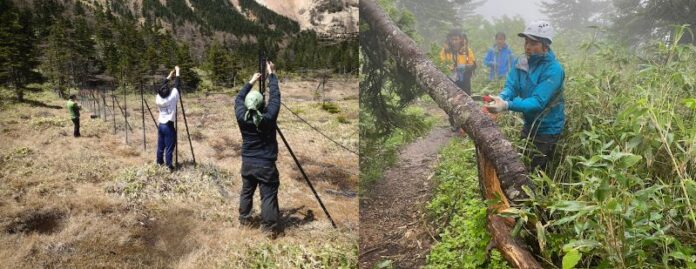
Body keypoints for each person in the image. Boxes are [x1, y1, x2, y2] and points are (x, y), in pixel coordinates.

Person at [485, 20, 565, 173]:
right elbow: (512, 85)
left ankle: (540, 196)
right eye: (526, 42)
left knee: (537, 171)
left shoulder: (554, 70)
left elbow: (537, 102)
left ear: (546, 45)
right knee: (522, 163)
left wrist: (507, 105)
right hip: (529, 123)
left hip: (547, 128)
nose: (528, 47)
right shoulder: (521, 61)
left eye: (534, 43)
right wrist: (501, 97)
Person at [235, 61, 282, 236]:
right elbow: (275, 97)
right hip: (266, 164)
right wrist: (271, 75)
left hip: (248, 162)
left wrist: (251, 81)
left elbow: (238, 99)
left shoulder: (242, 117)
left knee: (247, 191)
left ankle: (244, 219)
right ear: (263, 106)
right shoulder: (268, 117)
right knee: (268, 195)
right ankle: (268, 229)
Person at [440, 29, 477, 131]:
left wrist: (464, 66)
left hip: (465, 79)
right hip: (451, 80)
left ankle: (466, 123)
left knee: (466, 100)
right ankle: (454, 123)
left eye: (456, 39)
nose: (454, 41)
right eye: (452, 39)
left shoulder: (467, 50)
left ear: (461, 39)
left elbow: (473, 64)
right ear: (449, 40)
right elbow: (441, 63)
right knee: (452, 102)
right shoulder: (445, 51)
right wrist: (449, 68)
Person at [156, 66, 180, 170]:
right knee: (170, 147)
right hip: (169, 126)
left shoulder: (158, 98)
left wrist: (169, 76)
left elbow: (163, 86)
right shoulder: (172, 97)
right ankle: (169, 167)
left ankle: (159, 162)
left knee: (161, 146)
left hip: (161, 125)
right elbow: (177, 85)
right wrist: (178, 72)